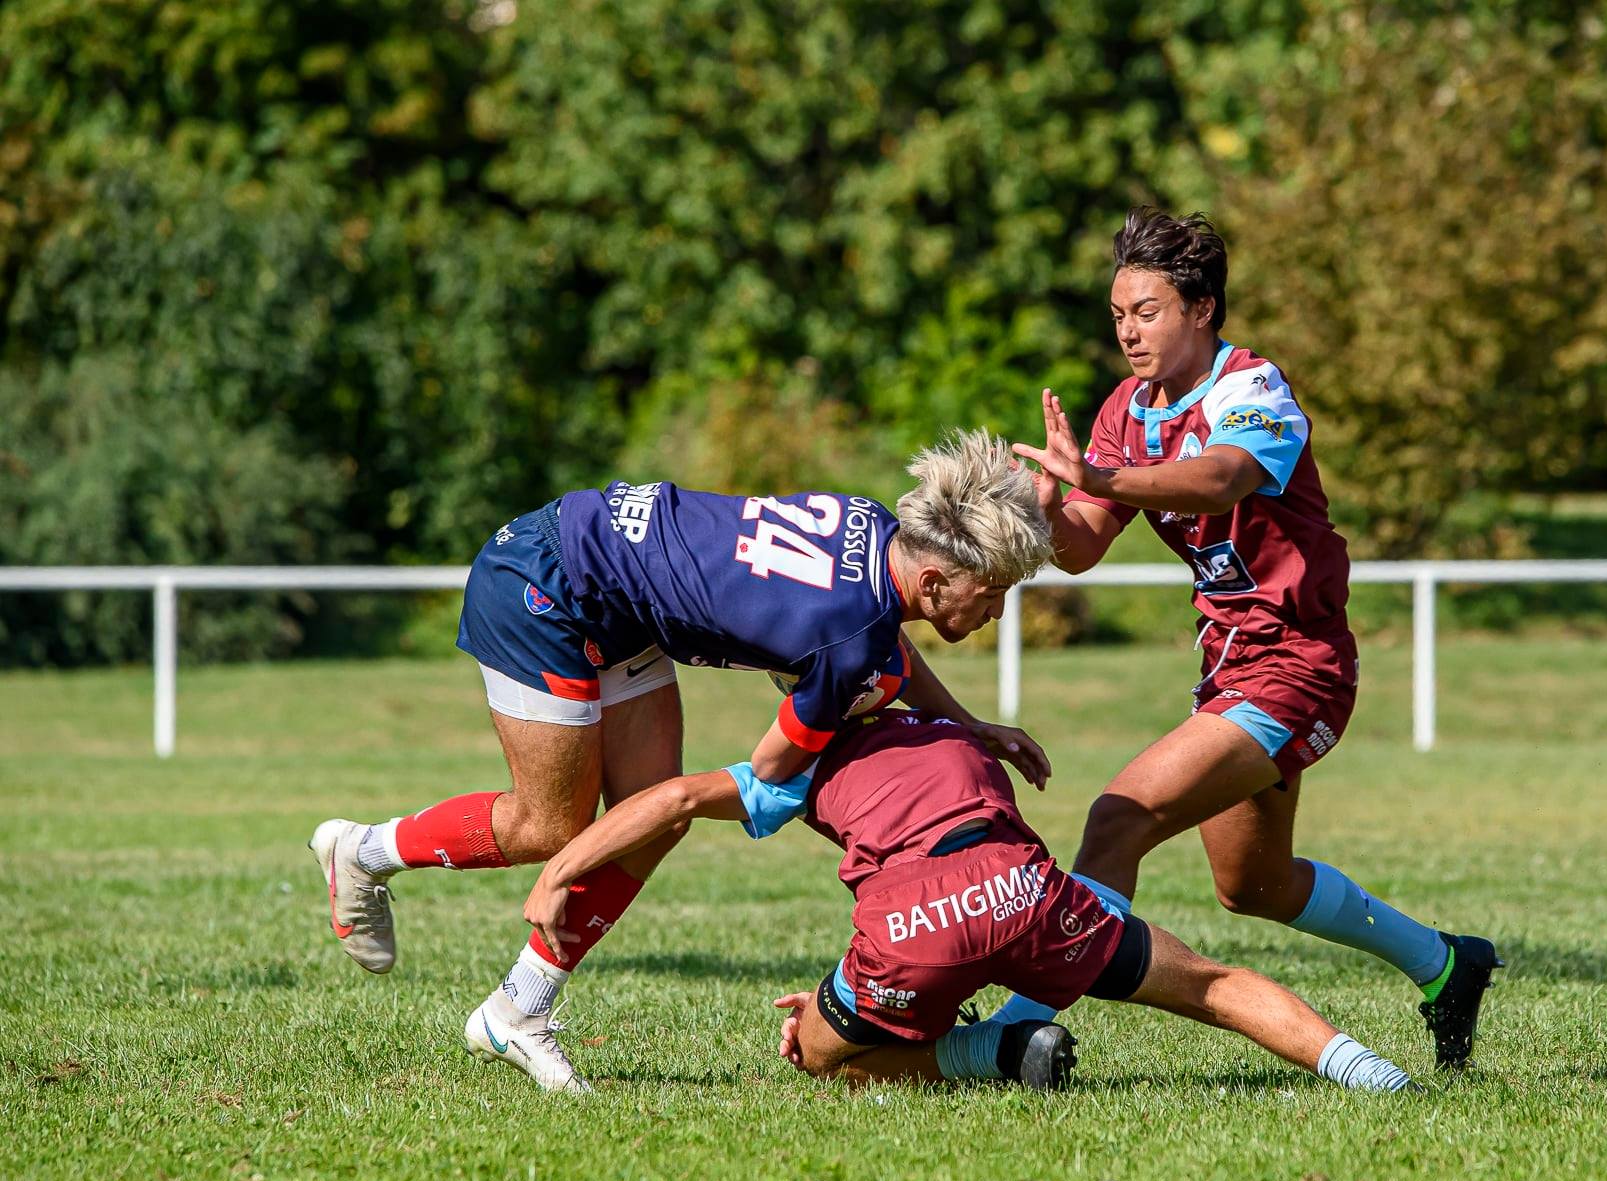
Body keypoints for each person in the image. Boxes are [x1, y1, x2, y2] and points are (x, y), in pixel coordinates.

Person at [306, 431, 1055, 1092]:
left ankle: (515, 1011)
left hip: (615, 597)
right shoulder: (849, 634)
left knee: (652, 822)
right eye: (992, 595)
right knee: (549, 829)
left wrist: (970, 726)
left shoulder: (875, 528)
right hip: (544, 585)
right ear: (934, 579)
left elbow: (875, 643)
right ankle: (362, 850)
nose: (993, 613)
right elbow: (772, 764)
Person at [1008, 208, 1500, 1069]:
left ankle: (1017, 1027)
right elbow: (1083, 544)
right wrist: (1048, 510)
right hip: (1230, 664)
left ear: (1201, 309)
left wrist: (1101, 474)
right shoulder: (1126, 409)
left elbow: (1220, 478)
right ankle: (1446, 963)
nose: (1128, 332)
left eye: (1147, 311)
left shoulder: (1252, 387)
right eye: (1119, 313)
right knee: (1254, 886)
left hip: (1298, 665)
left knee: (1117, 820)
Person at [521, 708, 1419, 1095]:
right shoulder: (952, 723)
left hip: (913, 928)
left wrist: (563, 867)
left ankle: (993, 1051)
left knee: (822, 1056)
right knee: (1212, 985)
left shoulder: (800, 761)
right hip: (1030, 891)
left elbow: (672, 799)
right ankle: (1371, 1073)